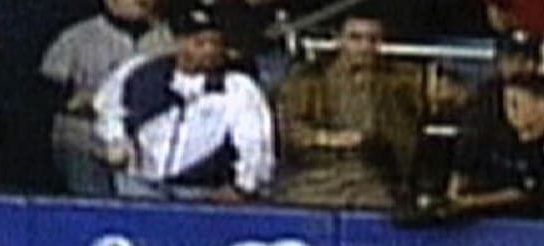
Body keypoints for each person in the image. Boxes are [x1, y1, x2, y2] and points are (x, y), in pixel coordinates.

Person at [93, 2, 275, 201]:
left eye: (215, 43)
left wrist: (244, 186)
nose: (209, 51)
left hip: (199, 192)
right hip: (138, 186)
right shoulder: (140, 72)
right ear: (179, 41)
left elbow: (255, 142)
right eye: (200, 43)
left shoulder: (238, 88)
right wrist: (116, 141)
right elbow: (107, 109)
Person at [275, 13, 424, 209]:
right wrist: (330, 139)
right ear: (339, 39)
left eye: (372, 39)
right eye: (355, 38)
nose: (364, 47)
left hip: (373, 179)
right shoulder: (309, 78)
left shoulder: (398, 82)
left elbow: (403, 138)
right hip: (314, 177)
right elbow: (292, 130)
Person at [39, 0, 174, 197]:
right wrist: (85, 102)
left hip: (147, 153)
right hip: (85, 148)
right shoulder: (78, 37)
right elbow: (46, 92)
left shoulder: (168, 40)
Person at [446, 72, 544, 218]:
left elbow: (529, 192)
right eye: (506, 105)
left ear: (542, 103)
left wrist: (471, 202)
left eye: (515, 104)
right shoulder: (491, 131)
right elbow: (463, 167)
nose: (510, 113)